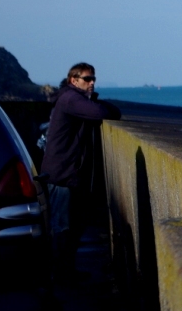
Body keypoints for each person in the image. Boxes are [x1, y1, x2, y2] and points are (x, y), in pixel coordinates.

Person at [40, 63, 121, 280]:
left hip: (68, 173)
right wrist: (99, 104)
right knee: (63, 227)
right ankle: (60, 276)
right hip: (62, 175)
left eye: (93, 78)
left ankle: (66, 272)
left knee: (74, 225)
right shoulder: (70, 99)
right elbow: (101, 112)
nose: (92, 82)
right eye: (87, 79)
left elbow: (106, 110)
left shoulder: (73, 99)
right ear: (73, 81)